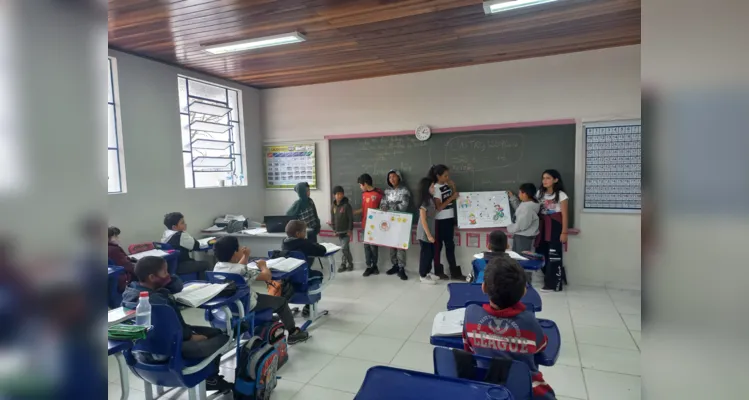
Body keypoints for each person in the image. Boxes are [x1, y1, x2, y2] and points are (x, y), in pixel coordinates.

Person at [122, 256, 233, 392]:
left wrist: (165, 278)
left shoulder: (130, 293)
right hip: (167, 351)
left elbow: (176, 287)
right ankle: (211, 379)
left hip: (141, 352)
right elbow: (170, 329)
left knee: (214, 332)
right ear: (152, 277)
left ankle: (210, 377)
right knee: (223, 337)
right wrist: (190, 336)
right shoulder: (156, 301)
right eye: (164, 272)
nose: (168, 275)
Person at [462, 256, 555, 400]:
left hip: (485, 389)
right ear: (524, 291)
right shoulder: (529, 321)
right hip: (525, 392)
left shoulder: (471, 314)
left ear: (483, 287)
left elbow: (468, 349)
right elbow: (540, 346)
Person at [212, 236, 310, 344]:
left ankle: (270, 318)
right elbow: (267, 276)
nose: (241, 248)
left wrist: (246, 255)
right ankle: (292, 333)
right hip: (248, 304)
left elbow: (236, 268)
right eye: (239, 247)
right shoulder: (242, 270)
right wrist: (263, 266)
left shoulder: (217, 267)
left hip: (231, 305)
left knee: (261, 296)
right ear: (235, 253)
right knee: (281, 302)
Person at [428, 164, 465, 281]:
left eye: (448, 175)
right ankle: (438, 271)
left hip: (449, 219)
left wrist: (453, 187)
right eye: (445, 176)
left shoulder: (446, 185)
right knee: (438, 247)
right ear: (438, 176)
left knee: (450, 246)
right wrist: (451, 197)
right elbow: (438, 207)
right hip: (440, 221)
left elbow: (454, 197)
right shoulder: (436, 188)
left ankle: (454, 272)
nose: (447, 177)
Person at [282, 220, 326, 318]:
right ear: (298, 234)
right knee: (318, 274)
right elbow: (322, 250)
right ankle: (309, 304)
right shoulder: (303, 243)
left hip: (288, 279)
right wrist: (312, 243)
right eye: (304, 232)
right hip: (302, 277)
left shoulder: (284, 243)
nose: (305, 234)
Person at [535, 169, 569, 292]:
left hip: (555, 226)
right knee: (540, 253)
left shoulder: (561, 195)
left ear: (555, 180)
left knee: (554, 255)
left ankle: (553, 284)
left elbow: (565, 215)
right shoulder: (539, 193)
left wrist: (564, 232)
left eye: (548, 178)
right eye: (543, 178)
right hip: (542, 225)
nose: (545, 180)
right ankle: (556, 275)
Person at [380, 170, 411, 281]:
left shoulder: (405, 191)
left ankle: (402, 268)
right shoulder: (387, 191)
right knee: (391, 245)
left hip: (401, 222)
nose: (391, 179)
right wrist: (384, 207)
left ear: (399, 177)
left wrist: (390, 207)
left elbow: (403, 206)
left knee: (400, 245)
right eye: (389, 177)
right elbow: (383, 203)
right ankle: (395, 265)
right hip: (389, 222)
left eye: (393, 177)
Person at [161, 212, 211, 280]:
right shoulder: (180, 235)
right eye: (182, 223)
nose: (185, 224)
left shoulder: (166, 234)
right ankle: (205, 284)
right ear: (174, 227)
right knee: (206, 264)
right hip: (181, 265)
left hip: (170, 267)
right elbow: (196, 246)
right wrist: (185, 233)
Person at [354, 173, 384, 277]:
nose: (360, 187)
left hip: (375, 226)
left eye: (360, 185)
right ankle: (368, 266)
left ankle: (374, 266)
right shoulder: (364, 195)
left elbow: (383, 210)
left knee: (373, 247)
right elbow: (364, 208)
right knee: (366, 246)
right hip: (364, 225)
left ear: (365, 184)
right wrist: (354, 212)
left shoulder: (379, 194)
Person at [415, 177, 438, 285]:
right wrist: (428, 235)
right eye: (432, 186)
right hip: (424, 232)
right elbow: (423, 219)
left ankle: (428, 272)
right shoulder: (424, 202)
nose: (434, 188)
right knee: (426, 254)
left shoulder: (431, 199)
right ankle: (422, 275)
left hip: (430, 231)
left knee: (431, 253)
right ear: (426, 188)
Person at [507, 183, 541, 253]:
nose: (518, 195)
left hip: (523, 236)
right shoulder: (526, 204)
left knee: (521, 258)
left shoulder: (528, 208)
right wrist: (512, 197)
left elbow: (521, 225)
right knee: (517, 256)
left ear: (525, 194)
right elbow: (519, 208)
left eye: (519, 193)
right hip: (521, 235)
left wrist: (509, 228)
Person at [329, 186, 354, 272]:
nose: (340, 196)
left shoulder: (347, 205)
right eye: (338, 194)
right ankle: (345, 264)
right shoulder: (333, 206)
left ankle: (349, 263)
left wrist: (350, 230)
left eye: (341, 194)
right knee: (345, 249)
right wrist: (334, 230)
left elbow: (351, 218)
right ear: (334, 195)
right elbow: (332, 218)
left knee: (344, 248)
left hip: (346, 231)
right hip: (338, 231)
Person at [107, 226, 135, 292]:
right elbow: (129, 267)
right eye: (115, 236)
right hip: (123, 280)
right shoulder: (114, 250)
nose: (118, 238)